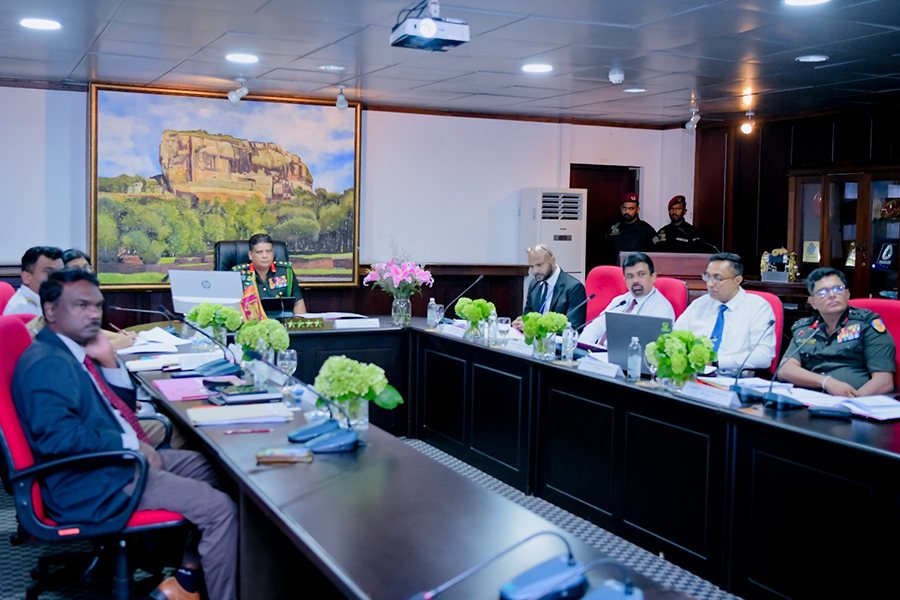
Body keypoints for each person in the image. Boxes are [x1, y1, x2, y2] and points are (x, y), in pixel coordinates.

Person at [12, 269, 238, 600]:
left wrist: (110, 362)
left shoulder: (70, 350)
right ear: (50, 311)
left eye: (98, 306)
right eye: (81, 305)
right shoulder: (49, 363)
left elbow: (118, 408)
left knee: (217, 470)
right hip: (94, 481)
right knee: (222, 511)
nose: (93, 314)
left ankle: (188, 578)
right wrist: (128, 444)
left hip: (113, 463)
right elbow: (57, 439)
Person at [777, 267, 895, 396]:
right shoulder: (805, 329)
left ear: (847, 294)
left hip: (858, 403)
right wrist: (826, 382)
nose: (832, 295)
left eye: (838, 289)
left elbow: (884, 382)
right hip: (813, 400)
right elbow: (785, 370)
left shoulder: (867, 324)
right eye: (823, 292)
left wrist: (849, 404)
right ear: (812, 302)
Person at [674, 252, 776, 371]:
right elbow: (674, 338)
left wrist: (717, 361)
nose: (710, 284)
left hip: (734, 379)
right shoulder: (699, 305)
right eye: (707, 276)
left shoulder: (758, 308)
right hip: (693, 376)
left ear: (737, 280)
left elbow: (763, 356)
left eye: (718, 278)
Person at [580, 252, 675, 346]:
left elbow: (654, 347)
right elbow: (596, 326)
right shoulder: (620, 301)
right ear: (625, 280)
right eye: (630, 276)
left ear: (653, 277)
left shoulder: (661, 309)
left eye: (641, 274)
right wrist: (581, 346)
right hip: (598, 354)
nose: (635, 281)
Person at [512, 243, 587, 331]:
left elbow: (572, 328)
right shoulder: (534, 284)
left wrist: (537, 329)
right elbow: (528, 315)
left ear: (552, 261)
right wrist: (520, 323)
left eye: (539, 265)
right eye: (532, 266)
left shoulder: (574, 288)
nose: (535, 271)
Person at [232, 233, 307, 317]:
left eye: (268, 251)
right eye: (259, 252)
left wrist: (298, 327)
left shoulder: (286, 272)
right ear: (250, 255)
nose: (265, 256)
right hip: (251, 326)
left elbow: (298, 303)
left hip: (281, 326)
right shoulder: (237, 275)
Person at [3, 246, 63, 316]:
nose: (57, 278)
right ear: (27, 277)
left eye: (61, 272)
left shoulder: (49, 301)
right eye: (48, 272)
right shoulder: (22, 309)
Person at [605, 193, 657, 264]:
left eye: (631, 209)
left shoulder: (647, 230)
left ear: (638, 210)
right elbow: (606, 253)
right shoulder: (613, 229)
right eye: (624, 208)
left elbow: (655, 256)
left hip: (637, 271)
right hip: (615, 270)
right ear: (620, 208)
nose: (627, 212)